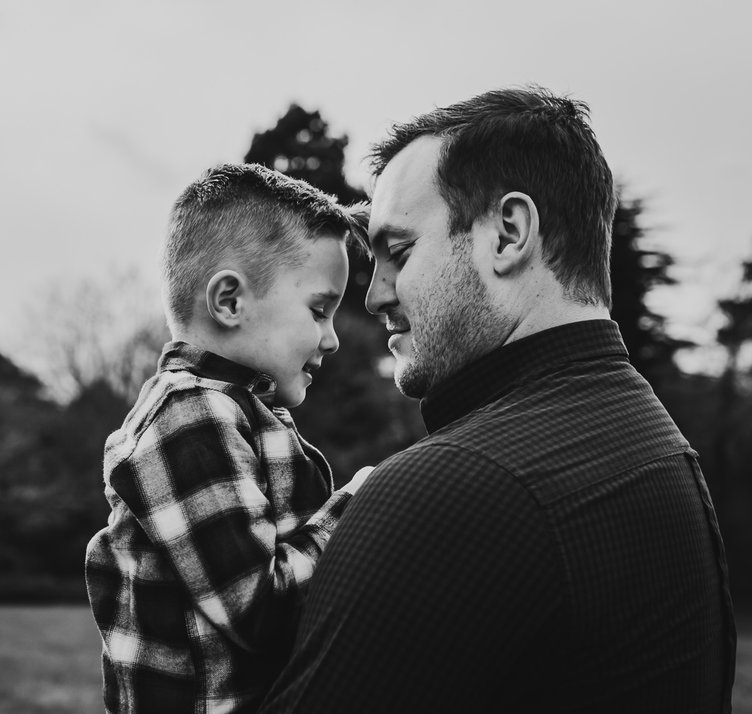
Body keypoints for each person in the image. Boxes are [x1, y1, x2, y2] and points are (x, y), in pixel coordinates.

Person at [259, 86, 737, 713]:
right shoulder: (657, 446)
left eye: (398, 252)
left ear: (508, 234)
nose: (375, 296)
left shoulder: (449, 490)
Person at [85, 163, 373, 713]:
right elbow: (258, 611)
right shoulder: (189, 416)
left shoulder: (237, 415)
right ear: (230, 302)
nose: (332, 339)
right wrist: (364, 506)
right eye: (319, 310)